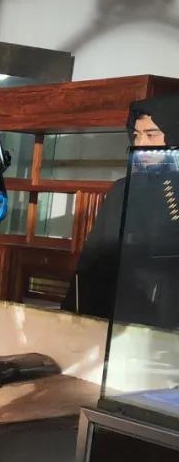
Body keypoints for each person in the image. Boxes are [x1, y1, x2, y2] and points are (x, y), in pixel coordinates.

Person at [62, 94, 179, 324]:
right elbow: (95, 256)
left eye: (151, 135)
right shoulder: (123, 189)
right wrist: (75, 311)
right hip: (116, 313)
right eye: (136, 135)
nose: (141, 144)